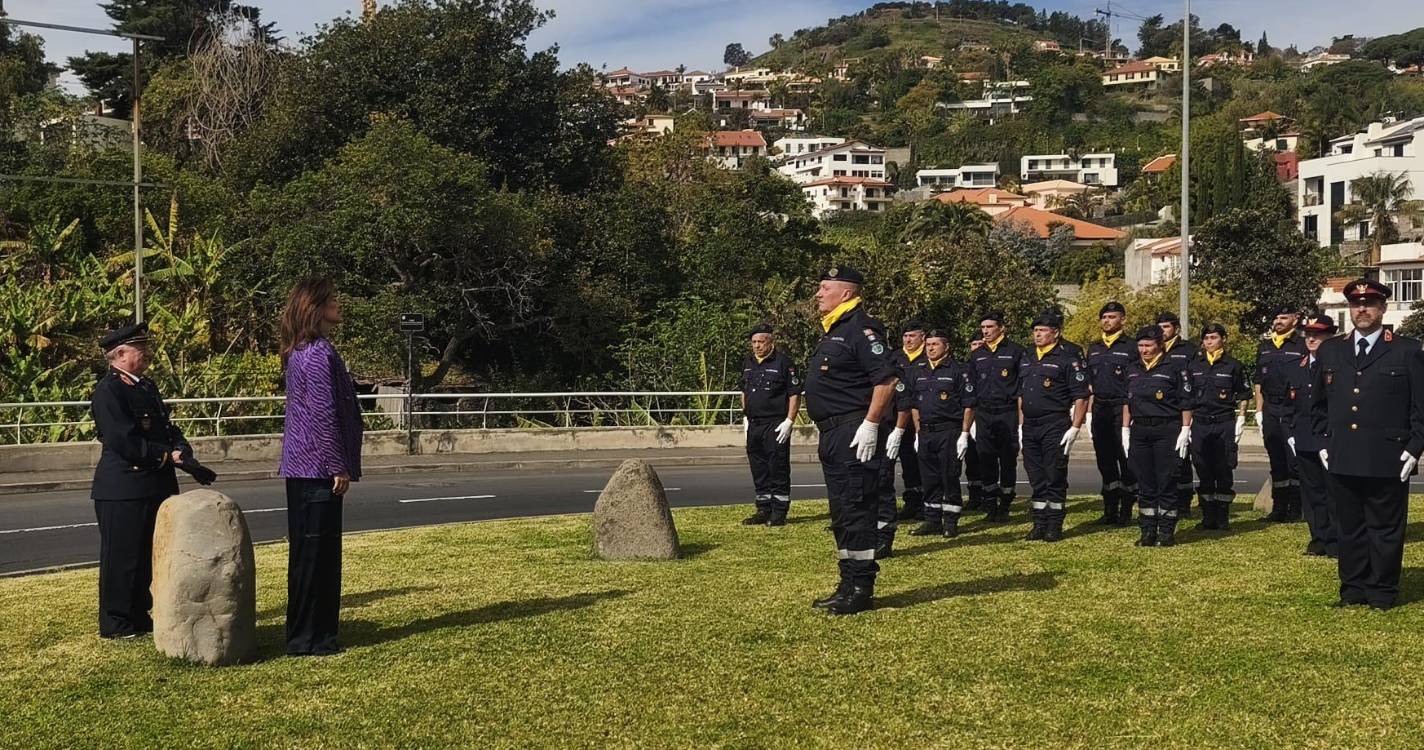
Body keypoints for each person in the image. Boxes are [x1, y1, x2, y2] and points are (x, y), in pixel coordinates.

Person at [1310, 279, 1424, 610]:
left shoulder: (1407, 349)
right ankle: (1353, 588)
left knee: (1385, 528)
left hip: (1389, 454)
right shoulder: (1332, 350)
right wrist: (1322, 442)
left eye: (1370, 304)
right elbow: (1317, 404)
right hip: (1343, 453)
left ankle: (1382, 590)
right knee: (1349, 527)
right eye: (1356, 304)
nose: (1362, 309)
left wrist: (1415, 447)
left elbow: (1420, 406)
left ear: (1382, 309)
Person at [90, 322, 194, 639]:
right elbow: (123, 440)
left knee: (146, 557)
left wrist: (181, 447)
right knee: (122, 559)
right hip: (124, 487)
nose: (147, 353)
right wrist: (165, 455)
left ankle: (138, 614)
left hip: (153, 485)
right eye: (141, 348)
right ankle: (116, 622)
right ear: (121, 354)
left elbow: (165, 426)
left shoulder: (146, 386)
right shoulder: (109, 390)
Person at [804, 266, 898, 616]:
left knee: (857, 508)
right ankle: (847, 583)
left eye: (824, 288)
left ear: (846, 293)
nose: (818, 294)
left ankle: (861, 589)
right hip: (833, 432)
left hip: (853, 431)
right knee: (842, 511)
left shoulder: (862, 329)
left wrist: (871, 424)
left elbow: (886, 380)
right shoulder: (835, 330)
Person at [279, 278, 364, 655]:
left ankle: (315, 635)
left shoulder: (309, 350)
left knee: (316, 557)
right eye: (331, 300)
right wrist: (337, 465)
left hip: (310, 467)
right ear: (315, 308)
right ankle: (311, 639)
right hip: (314, 468)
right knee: (316, 558)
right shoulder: (315, 354)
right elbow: (323, 415)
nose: (338, 305)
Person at [1017, 310, 1089, 542]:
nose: (1037, 335)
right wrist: (1020, 425)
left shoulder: (1067, 358)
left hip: (1054, 423)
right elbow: (1021, 394)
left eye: (1042, 330)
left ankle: (1054, 524)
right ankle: (1039, 523)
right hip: (1030, 425)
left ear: (1055, 333)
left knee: (1054, 474)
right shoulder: (1027, 356)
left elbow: (1081, 396)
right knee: (1035, 475)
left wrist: (1075, 427)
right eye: (1035, 331)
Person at [1124, 325, 1194, 547]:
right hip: (1140, 430)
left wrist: (1185, 429)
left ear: (1160, 345)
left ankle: (1166, 532)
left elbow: (1186, 402)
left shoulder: (1174, 368)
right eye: (1140, 345)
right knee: (1145, 482)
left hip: (1167, 429)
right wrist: (1125, 429)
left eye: (1148, 345)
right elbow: (1127, 401)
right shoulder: (1132, 368)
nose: (1144, 350)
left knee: (1166, 481)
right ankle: (1147, 531)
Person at [907, 329, 975, 538]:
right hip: (926, 431)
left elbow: (969, 405)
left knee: (949, 476)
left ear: (946, 346)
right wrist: (917, 432)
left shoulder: (958, 371)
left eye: (935, 344)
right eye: (928, 344)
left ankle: (951, 521)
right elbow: (914, 405)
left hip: (949, 430)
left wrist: (964, 434)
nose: (930, 348)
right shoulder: (918, 371)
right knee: (929, 478)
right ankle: (932, 519)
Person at [1186, 324, 1251, 530]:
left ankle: (1222, 517)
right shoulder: (1194, 366)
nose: (1209, 342)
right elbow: (1187, 396)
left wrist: (1241, 418)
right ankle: (1207, 516)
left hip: (1224, 422)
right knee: (1202, 467)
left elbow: (1244, 394)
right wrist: (1187, 425)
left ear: (1223, 339)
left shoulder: (1233, 365)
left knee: (1223, 468)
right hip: (1200, 423)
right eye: (1206, 338)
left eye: (1213, 337)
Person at [739, 324, 801, 527]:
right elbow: (744, 391)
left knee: (777, 467)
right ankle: (763, 508)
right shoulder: (748, 363)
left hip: (775, 424)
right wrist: (745, 416)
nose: (757, 346)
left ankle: (779, 511)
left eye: (761, 342)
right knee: (759, 468)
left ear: (771, 342)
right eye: (754, 342)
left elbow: (794, 394)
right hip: (754, 423)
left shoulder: (783, 363)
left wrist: (789, 421)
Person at [968, 311, 1028, 522]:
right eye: (983, 327)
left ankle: (1005, 504)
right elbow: (972, 387)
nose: (985, 331)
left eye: (990, 327)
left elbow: (1021, 389)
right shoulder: (977, 354)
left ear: (1001, 328)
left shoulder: (1016, 352)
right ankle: (990, 504)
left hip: (1007, 411)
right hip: (984, 413)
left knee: (1007, 459)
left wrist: (1021, 423)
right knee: (985, 458)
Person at [1288, 314, 1339, 558]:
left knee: (1334, 492)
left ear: (1330, 336)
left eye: (1317, 334)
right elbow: (1287, 405)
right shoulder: (1296, 367)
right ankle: (1318, 538)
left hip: (1331, 439)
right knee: (1312, 493)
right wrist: (1290, 433)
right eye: (1308, 334)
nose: (1311, 338)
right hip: (1305, 438)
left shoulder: (1339, 366)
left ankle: (1336, 540)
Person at [1086, 301, 1138, 526]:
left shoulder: (1132, 347)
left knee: (1125, 460)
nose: (1107, 321)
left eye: (1112, 317)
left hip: (1122, 408)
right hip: (1100, 408)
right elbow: (1089, 383)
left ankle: (1126, 509)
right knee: (1105, 460)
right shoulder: (1094, 348)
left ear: (1123, 320)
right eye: (1104, 317)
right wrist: (1089, 413)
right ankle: (1110, 510)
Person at [1255, 307, 1307, 523]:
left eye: (1284, 317)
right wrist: (1259, 411)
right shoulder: (1265, 347)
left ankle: (1296, 508)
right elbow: (1259, 382)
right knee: (1276, 460)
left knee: (1294, 461)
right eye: (1276, 317)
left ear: (1295, 320)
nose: (1278, 321)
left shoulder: (1302, 345)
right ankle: (1279, 507)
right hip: (1271, 409)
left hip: (1293, 409)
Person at [1157, 311, 1199, 518]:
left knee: (1181, 458)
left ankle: (1184, 503)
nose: (1162, 331)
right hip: (1159, 410)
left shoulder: (1188, 350)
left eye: (1166, 327)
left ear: (1176, 328)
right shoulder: (1154, 348)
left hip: (1180, 410)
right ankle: (1165, 500)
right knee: (1161, 460)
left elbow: (1196, 378)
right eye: (1159, 327)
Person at [891, 321, 928, 521]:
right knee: (907, 461)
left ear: (922, 337)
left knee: (925, 461)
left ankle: (927, 503)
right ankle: (912, 501)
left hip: (924, 415)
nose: (908, 340)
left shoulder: (928, 356)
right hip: (901, 416)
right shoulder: (895, 358)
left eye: (912, 336)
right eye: (905, 336)